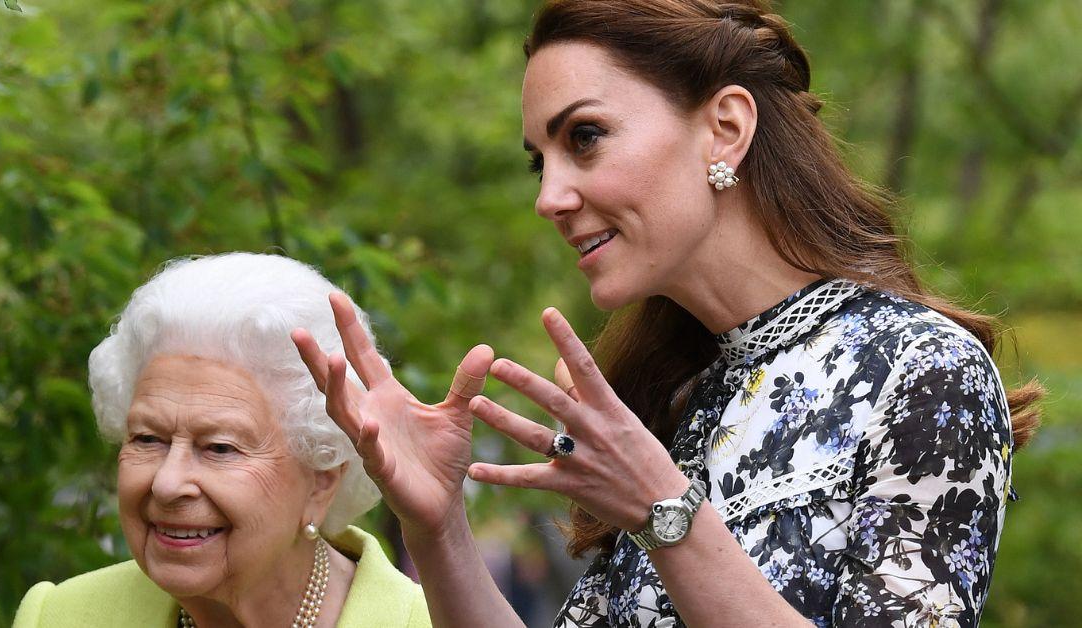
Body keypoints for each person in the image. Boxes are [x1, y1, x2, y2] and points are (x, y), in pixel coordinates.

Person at [292, 1, 1043, 627]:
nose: (548, 197)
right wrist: (439, 526)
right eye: (539, 160)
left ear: (724, 128)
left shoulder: (921, 370)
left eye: (584, 137)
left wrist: (665, 513)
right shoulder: (671, 398)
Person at [13, 253, 431, 628]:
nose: (167, 484)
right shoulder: (59, 616)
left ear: (321, 479)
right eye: (147, 439)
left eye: (219, 447)